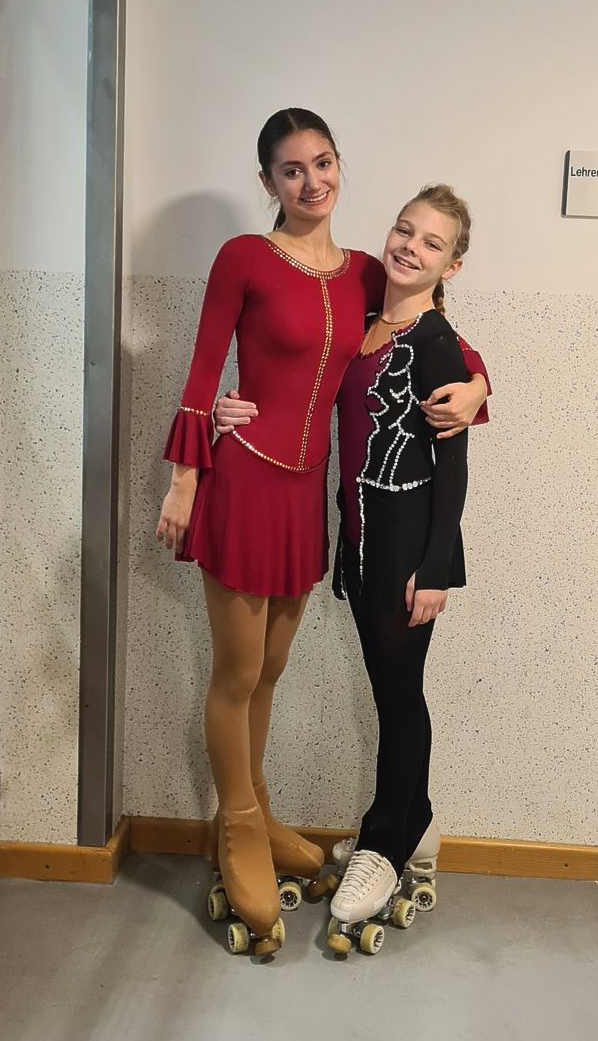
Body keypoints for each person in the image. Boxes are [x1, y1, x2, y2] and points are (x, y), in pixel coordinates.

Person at [157, 107, 488, 953]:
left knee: (269, 669)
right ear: (267, 180)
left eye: (324, 162)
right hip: (244, 482)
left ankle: (261, 809)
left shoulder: (366, 272)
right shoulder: (243, 257)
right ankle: (236, 825)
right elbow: (203, 366)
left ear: (341, 165)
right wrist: (186, 476)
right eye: (292, 169)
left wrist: (481, 384)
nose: (313, 182)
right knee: (237, 670)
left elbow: (430, 328)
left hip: (309, 498)